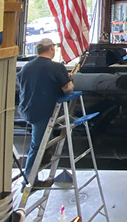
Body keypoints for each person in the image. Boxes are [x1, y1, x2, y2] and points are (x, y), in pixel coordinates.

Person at [17, 38, 74, 184]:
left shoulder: (26, 67)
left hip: (27, 110)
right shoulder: (56, 67)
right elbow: (67, 89)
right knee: (37, 146)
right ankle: (29, 181)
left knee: (40, 143)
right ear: (51, 48)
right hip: (44, 111)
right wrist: (70, 82)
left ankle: (34, 172)